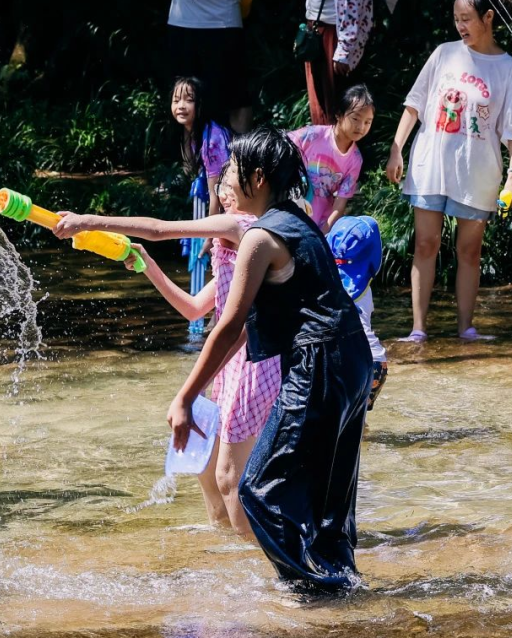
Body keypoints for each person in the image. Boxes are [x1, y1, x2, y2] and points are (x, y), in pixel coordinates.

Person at [120, 127, 370, 591]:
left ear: (256, 178)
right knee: (330, 493)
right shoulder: (297, 221)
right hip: (352, 359)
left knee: (257, 491)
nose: (225, 177)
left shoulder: (258, 237)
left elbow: (230, 325)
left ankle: (307, 591)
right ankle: (342, 583)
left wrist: (185, 396)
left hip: (320, 361)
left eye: (233, 169)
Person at [54, 163, 281, 537]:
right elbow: (193, 308)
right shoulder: (236, 240)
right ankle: (230, 558)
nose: (223, 191)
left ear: (255, 185)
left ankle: (258, 559)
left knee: (231, 477)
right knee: (208, 471)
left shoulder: (241, 226)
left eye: (230, 183)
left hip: (251, 362)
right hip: (225, 364)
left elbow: (159, 228)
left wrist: (86, 221)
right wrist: (147, 265)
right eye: (220, 184)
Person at [386, 0, 512, 343]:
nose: (460, 26)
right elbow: (415, 103)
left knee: (469, 251)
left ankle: (466, 329)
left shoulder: (507, 68)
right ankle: (419, 330)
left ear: (489, 17)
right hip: (431, 166)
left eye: (466, 19)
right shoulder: (444, 54)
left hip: (478, 172)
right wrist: (396, 149)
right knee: (426, 244)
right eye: (456, 19)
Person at [171, 76, 232, 335]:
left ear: (201, 104)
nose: (181, 106)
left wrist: (210, 233)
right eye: (176, 100)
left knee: (219, 259)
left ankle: (216, 321)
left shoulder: (212, 136)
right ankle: (211, 321)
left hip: (226, 209)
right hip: (215, 207)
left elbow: (216, 191)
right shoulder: (194, 135)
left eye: (189, 99)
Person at [289, 83, 375, 233]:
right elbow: (282, 147)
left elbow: (340, 204)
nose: (361, 127)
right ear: (339, 114)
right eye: (355, 119)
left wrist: (325, 232)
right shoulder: (313, 135)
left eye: (367, 122)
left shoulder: (355, 160)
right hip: (291, 206)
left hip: (318, 220)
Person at [167, 0, 253, 132]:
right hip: (182, 22)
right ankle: (190, 154)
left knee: (237, 98)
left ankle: (242, 153)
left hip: (224, 23)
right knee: (183, 95)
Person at [327, 215, 388, 410]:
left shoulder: (326, 279)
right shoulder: (363, 285)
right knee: (357, 424)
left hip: (342, 361)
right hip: (375, 363)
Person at [301, 0, 374, 125]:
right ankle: (322, 144)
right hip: (314, 34)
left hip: (336, 36)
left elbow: (354, 3)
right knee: (319, 106)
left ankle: (342, 147)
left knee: (339, 107)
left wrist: (344, 50)